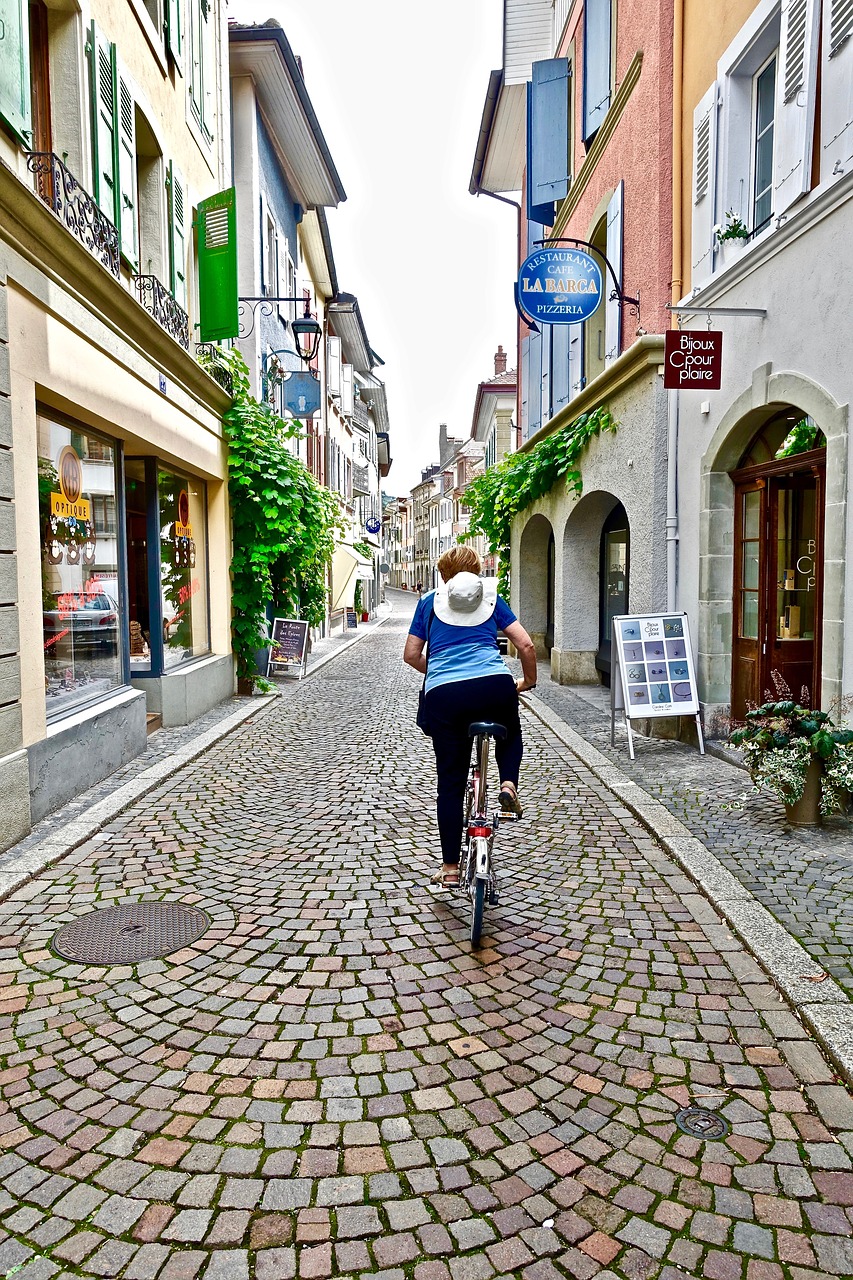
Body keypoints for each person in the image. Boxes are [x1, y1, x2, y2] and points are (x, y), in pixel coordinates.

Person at [403, 545, 537, 887]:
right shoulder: (492, 598)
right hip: (493, 686)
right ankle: (509, 784)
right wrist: (528, 681)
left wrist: (438, 674)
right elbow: (526, 645)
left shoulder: (429, 601)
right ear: (477, 572)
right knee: (510, 730)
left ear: (445, 575)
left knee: (449, 784)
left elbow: (411, 654)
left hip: (446, 697)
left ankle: (450, 869)